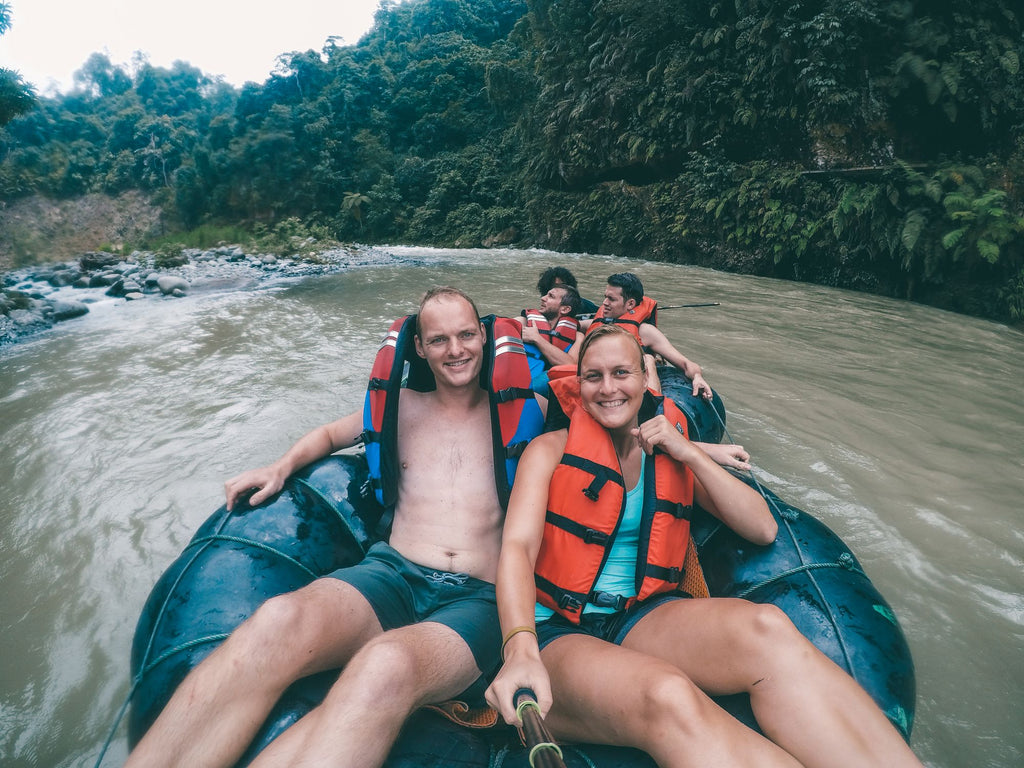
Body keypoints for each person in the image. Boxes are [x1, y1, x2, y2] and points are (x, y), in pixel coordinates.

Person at [125, 287, 544, 768]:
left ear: (485, 338)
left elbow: (604, 413)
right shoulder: (402, 407)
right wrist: (280, 468)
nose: (456, 350)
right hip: (390, 575)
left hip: (478, 599)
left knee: (385, 664)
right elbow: (329, 435)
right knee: (276, 621)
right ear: (421, 349)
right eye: (440, 339)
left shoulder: (524, 409)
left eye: (467, 334)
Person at [485, 325, 925, 768]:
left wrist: (691, 452)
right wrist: (520, 648)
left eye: (621, 373)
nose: (608, 388)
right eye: (594, 376)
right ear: (578, 385)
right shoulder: (549, 451)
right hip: (557, 631)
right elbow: (518, 549)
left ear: (644, 378)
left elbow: (762, 529)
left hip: (640, 616)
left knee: (767, 628)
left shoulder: (666, 452)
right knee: (668, 694)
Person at [574, 272, 713, 401]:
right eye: (605, 297)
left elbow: (685, 363)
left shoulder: (645, 331)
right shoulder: (597, 323)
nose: (604, 303)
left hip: (632, 390)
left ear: (630, 304)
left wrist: (697, 376)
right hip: (600, 382)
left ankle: (651, 408)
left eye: (611, 299)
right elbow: (575, 325)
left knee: (648, 359)